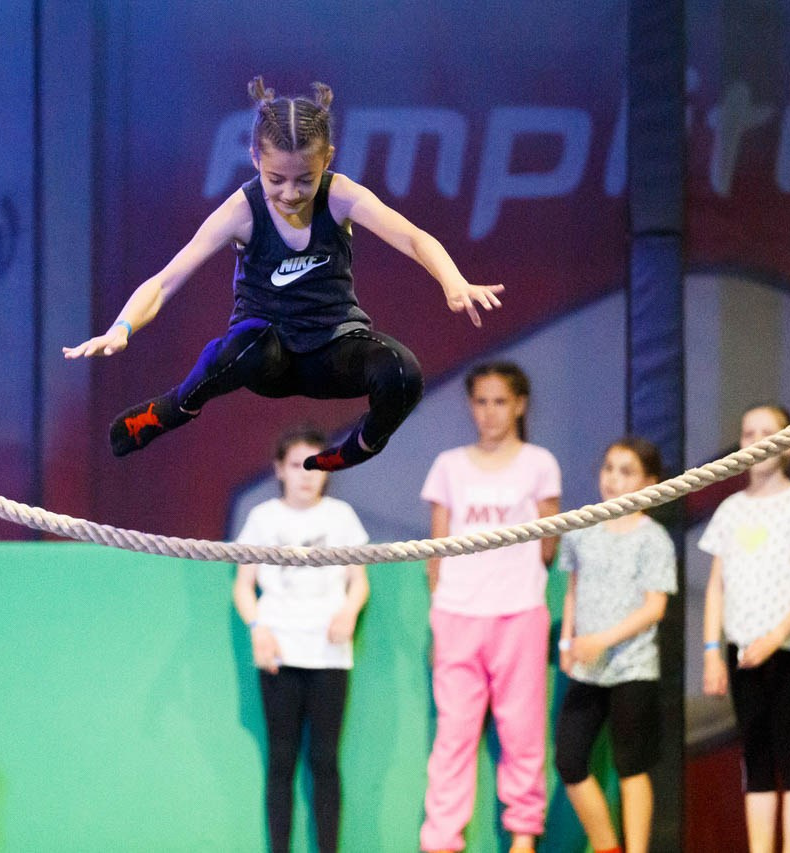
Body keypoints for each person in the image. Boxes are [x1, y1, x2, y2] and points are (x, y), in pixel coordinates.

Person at [63, 76, 503, 472]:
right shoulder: (241, 210)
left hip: (333, 349)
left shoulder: (341, 196)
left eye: (304, 181)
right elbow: (165, 281)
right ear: (255, 157)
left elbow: (413, 237)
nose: (290, 194)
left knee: (404, 372)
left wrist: (454, 280)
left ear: (327, 160)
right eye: (276, 179)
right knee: (250, 344)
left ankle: (360, 447)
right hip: (265, 358)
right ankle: (174, 407)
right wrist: (121, 327)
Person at [420, 362, 561, 853]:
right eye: (481, 401)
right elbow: (436, 547)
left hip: (518, 611)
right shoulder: (448, 466)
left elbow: (549, 545)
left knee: (522, 730)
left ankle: (524, 834)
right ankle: (441, 840)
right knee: (452, 737)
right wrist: (442, 602)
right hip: (458, 614)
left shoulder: (539, 463)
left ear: (519, 405)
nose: (490, 412)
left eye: (500, 401)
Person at [232, 425, 370, 853]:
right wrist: (258, 630)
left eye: (315, 464)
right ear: (280, 469)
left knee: (325, 762)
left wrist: (348, 612)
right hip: (279, 651)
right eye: (297, 465)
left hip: (329, 654)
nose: (307, 474)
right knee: (281, 762)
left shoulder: (341, 517)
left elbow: (359, 582)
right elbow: (242, 586)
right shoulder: (262, 517)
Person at [700, 405, 790, 853]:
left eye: (767, 433)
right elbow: (715, 587)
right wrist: (713, 651)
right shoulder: (730, 511)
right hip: (741, 652)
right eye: (747, 433)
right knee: (754, 754)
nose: (756, 441)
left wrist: (774, 640)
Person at [555, 437, 676, 853]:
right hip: (587, 667)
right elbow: (572, 589)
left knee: (631, 766)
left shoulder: (653, 537)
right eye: (609, 468)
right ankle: (607, 845)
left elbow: (654, 607)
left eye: (627, 471)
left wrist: (601, 640)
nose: (614, 478)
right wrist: (567, 641)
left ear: (649, 481)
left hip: (632, 666)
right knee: (569, 760)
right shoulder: (583, 528)